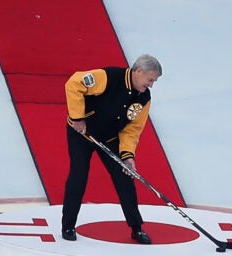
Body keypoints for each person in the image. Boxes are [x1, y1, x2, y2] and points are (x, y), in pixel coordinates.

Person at [61, 54, 162, 244]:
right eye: (150, 80)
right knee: (79, 176)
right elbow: (74, 83)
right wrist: (77, 117)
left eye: (154, 81)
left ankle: (136, 228)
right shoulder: (108, 77)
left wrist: (127, 155)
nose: (151, 85)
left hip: (109, 138)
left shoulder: (144, 98)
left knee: (125, 177)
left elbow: (132, 129)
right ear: (138, 71)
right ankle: (68, 225)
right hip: (81, 133)